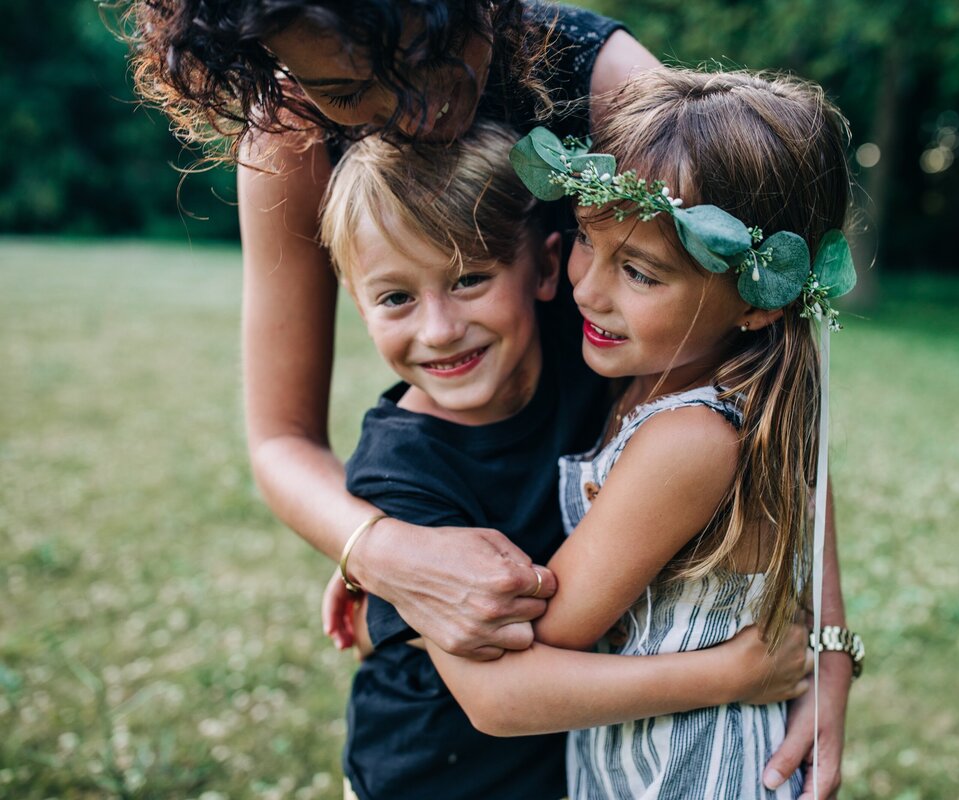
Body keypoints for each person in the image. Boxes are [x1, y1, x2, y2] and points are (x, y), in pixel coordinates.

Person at [118, 1, 852, 792]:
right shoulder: (289, 132)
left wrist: (827, 636)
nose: (409, 111)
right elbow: (280, 439)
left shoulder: (611, 85)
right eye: (346, 89)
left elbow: (771, 345)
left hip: (588, 541)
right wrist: (389, 550)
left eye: (428, 59)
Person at [317, 121, 813, 799]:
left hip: (569, 765)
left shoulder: (596, 356)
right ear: (358, 303)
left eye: (469, 280)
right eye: (395, 297)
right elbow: (498, 694)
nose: (438, 329)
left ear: (546, 269)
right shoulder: (398, 468)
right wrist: (731, 674)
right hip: (433, 777)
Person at [419, 67, 864, 799]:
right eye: (587, 240)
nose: (587, 288)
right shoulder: (663, 381)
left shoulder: (688, 439)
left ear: (759, 302)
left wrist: (409, 579)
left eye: (641, 273)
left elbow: (535, 634)